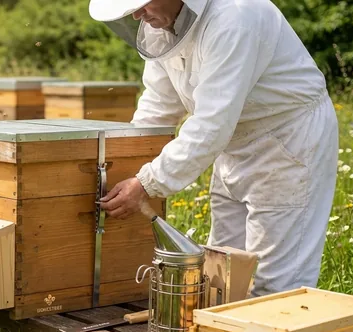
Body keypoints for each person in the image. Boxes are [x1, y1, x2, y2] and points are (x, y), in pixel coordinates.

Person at [89, 0, 339, 297]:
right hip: (234, 143)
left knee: (276, 284)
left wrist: (146, 183)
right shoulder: (161, 25)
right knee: (222, 268)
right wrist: (126, 159)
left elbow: (212, 122)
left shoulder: (236, 17)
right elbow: (157, 106)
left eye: (144, 3)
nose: (136, 14)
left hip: (287, 141)